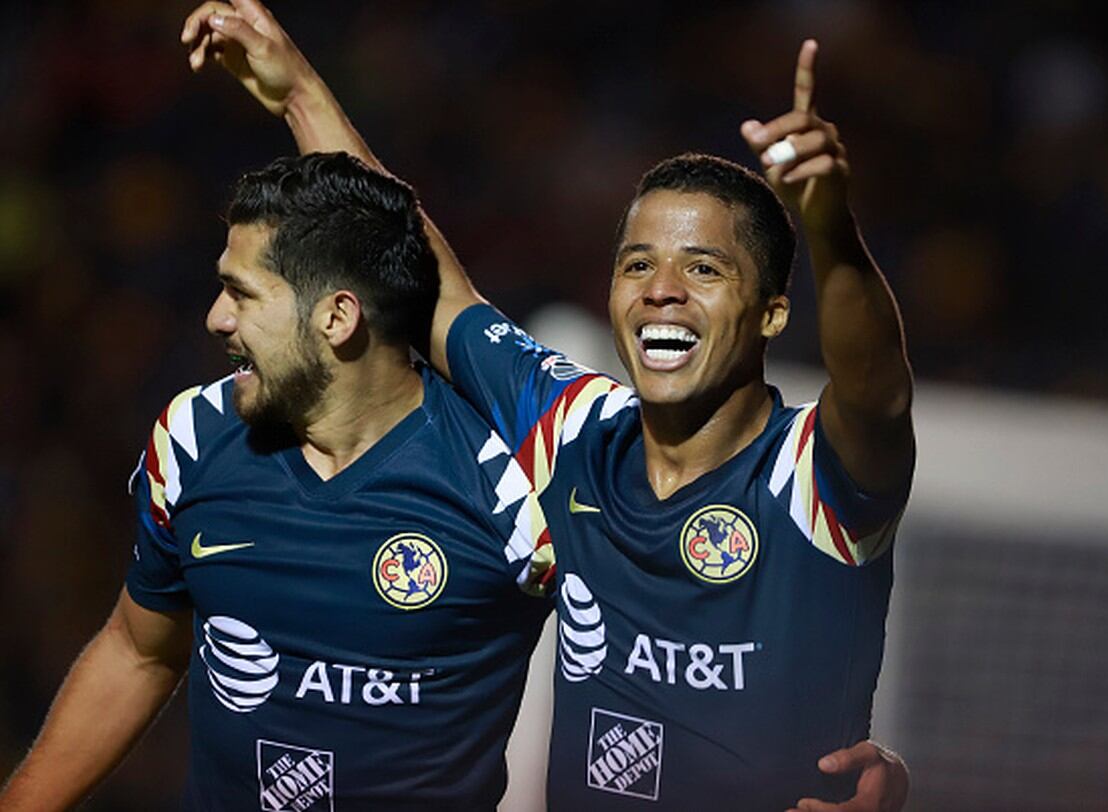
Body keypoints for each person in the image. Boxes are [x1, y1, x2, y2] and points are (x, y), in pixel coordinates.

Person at [179, 2, 915, 810]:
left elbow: (875, 388)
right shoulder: (576, 435)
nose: (661, 290)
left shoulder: (812, 475)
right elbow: (436, 288)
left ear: (773, 312)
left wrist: (830, 226)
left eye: (703, 269)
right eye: (638, 265)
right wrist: (298, 95)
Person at [0, 153, 552, 810]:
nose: (216, 318)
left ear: (337, 317)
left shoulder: (509, 481)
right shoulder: (195, 437)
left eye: (242, 293)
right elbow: (138, 651)